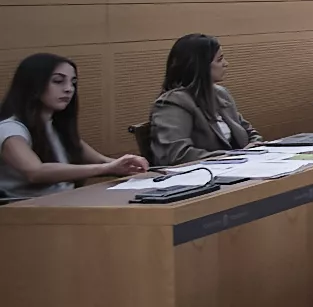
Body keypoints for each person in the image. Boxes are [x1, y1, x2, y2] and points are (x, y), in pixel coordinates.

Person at [1, 53, 147, 197]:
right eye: (58, 81)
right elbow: (35, 172)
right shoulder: (10, 129)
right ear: (32, 84)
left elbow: (101, 160)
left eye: (73, 82)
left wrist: (133, 166)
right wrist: (106, 168)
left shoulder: (55, 125)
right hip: (25, 211)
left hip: (64, 202)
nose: (69, 89)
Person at [147, 33, 262, 164]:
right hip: (200, 176)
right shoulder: (172, 103)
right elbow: (176, 154)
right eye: (219, 60)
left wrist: (255, 146)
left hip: (240, 167)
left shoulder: (220, 93)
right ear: (199, 66)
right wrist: (232, 157)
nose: (226, 64)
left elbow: (249, 131)